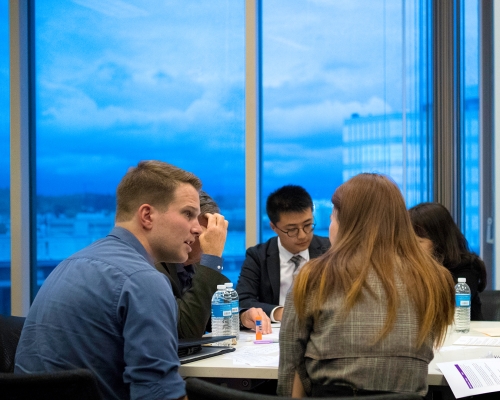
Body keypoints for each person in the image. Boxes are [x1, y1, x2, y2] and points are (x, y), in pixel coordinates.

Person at [15, 160, 203, 400]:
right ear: (147, 215)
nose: (198, 229)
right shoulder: (143, 280)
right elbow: (158, 395)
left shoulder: (70, 264)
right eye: (188, 214)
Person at [277, 173, 455, 398]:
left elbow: (291, 368)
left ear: (348, 224)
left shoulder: (313, 277)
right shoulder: (434, 279)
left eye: (333, 218)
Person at [156, 190, 272, 338]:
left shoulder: (195, 265)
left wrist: (242, 317)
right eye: (203, 234)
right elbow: (187, 329)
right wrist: (212, 257)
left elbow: (204, 314)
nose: (209, 241)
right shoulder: (156, 267)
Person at [236, 185, 330, 322]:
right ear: (274, 227)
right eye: (292, 230)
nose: (303, 235)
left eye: (308, 225)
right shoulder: (258, 256)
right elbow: (242, 301)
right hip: (274, 334)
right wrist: (280, 313)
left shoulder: (330, 250)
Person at [409, 202, 487, 321]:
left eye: (419, 242)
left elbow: (447, 309)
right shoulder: (407, 266)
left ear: (439, 241)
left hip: (464, 335)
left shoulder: (467, 266)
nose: (411, 248)